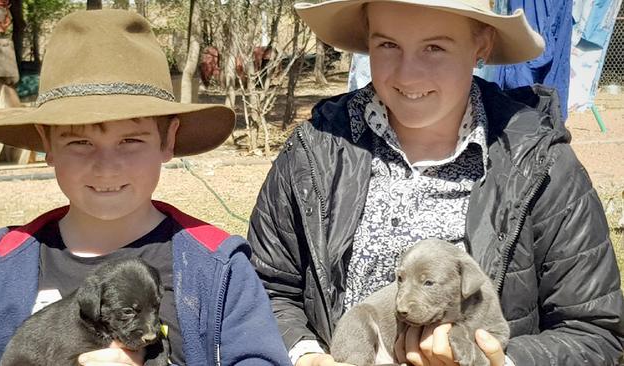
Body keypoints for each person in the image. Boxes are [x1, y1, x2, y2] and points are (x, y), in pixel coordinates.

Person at [247, 0, 624, 365]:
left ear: (482, 44)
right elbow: (265, 287)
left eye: (435, 47)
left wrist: (499, 361)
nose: (408, 74)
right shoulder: (315, 150)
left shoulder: (541, 165)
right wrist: (308, 356)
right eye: (388, 44)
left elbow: (593, 331)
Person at [0, 9, 292, 366]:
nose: (106, 166)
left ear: (167, 139)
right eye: (79, 142)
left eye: (130, 140)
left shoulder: (217, 266)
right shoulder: (2, 269)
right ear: (46, 141)